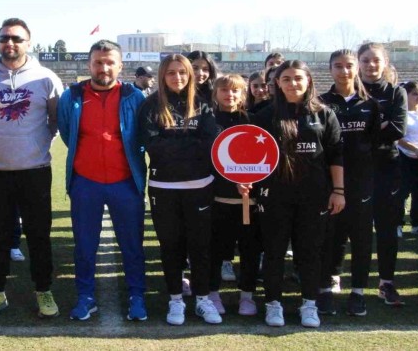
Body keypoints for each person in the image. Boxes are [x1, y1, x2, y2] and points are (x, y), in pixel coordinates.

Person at [0, 18, 64, 319]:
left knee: (38, 234)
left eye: (17, 38)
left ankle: (43, 289)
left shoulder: (46, 78)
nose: (10, 43)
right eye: (4, 38)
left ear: (28, 43)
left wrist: (36, 144)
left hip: (35, 169)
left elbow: (56, 121)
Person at [241, 60, 344, 328]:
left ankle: (309, 305)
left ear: (308, 80)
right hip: (274, 196)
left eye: (298, 78)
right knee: (273, 252)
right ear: (277, 83)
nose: (292, 83)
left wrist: (338, 191)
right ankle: (273, 305)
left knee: (310, 253)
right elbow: (249, 155)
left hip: (314, 196)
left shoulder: (324, 114)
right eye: (286, 79)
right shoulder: (264, 116)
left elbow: (336, 155)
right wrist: (244, 181)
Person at [57, 40, 148, 321]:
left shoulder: (134, 97)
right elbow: (67, 133)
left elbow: (142, 136)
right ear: (89, 65)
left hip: (126, 182)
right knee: (85, 245)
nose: (104, 68)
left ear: (120, 66)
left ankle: (137, 296)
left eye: (110, 63)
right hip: (86, 182)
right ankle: (85, 296)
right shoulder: (72, 96)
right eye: (98, 62)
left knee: (132, 244)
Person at [138, 54, 221, 326]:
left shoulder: (203, 104)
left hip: (200, 186)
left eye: (183, 72)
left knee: (201, 246)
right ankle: (175, 299)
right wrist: (190, 145)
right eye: (171, 72)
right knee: (170, 246)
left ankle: (202, 299)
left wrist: (175, 145)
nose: (178, 77)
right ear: (163, 76)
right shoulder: (150, 105)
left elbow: (210, 143)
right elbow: (153, 146)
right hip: (163, 187)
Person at [317, 50, 380, 317]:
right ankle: (325, 289)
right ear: (330, 70)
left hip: (360, 181)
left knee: (361, 238)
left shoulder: (370, 105)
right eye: (338, 66)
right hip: (328, 182)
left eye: (349, 66)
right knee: (329, 236)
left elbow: (375, 144)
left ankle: (358, 293)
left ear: (357, 69)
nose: (344, 71)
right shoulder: (320, 103)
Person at [357, 42, 407, 305]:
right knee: (355, 228)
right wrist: (379, 125)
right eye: (365, 60)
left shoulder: (396, 92)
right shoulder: (350, 91)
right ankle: (351, 285)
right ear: (358, 63)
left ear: (385, 62)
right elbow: (343, 132)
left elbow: (398, 130)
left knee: (386, 228)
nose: (371, 65)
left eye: (376, 60)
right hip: (355, 169)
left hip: (387, 168)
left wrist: (363, 129)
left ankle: (386, 282)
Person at [208, 74, 260, 317]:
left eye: (235, 90)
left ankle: (247, 296)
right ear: (215, 94)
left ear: (243, 94)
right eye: (224, 90)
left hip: (249, 200)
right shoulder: (208, 121)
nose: (230, 95)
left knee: (250, 250)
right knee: (216, 250)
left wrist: (251, 180)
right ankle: (212, 293)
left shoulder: (254, 121)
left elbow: (265, 158)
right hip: (217, 200)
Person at [396, 81, 418, 236]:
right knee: (402, 192)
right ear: (406, 95)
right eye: (415, 93)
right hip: (405, 156)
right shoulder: (401, 113)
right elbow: (398, 137)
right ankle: (397, 224)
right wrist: (415, 149)